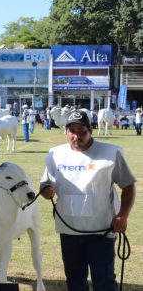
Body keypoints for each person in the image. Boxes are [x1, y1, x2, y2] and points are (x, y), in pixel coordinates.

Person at [40, 111, 136, 290]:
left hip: (101, 231)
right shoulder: (55, 155)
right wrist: (46, 191)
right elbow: (46, 186)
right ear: (66, 131)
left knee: (104, 281)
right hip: (69, 231)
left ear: (91, 130)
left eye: (82, 131)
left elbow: (128, 185)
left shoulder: (111, 153)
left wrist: (123, 215)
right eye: (72, 131)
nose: (76, 136)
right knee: (75, 281)